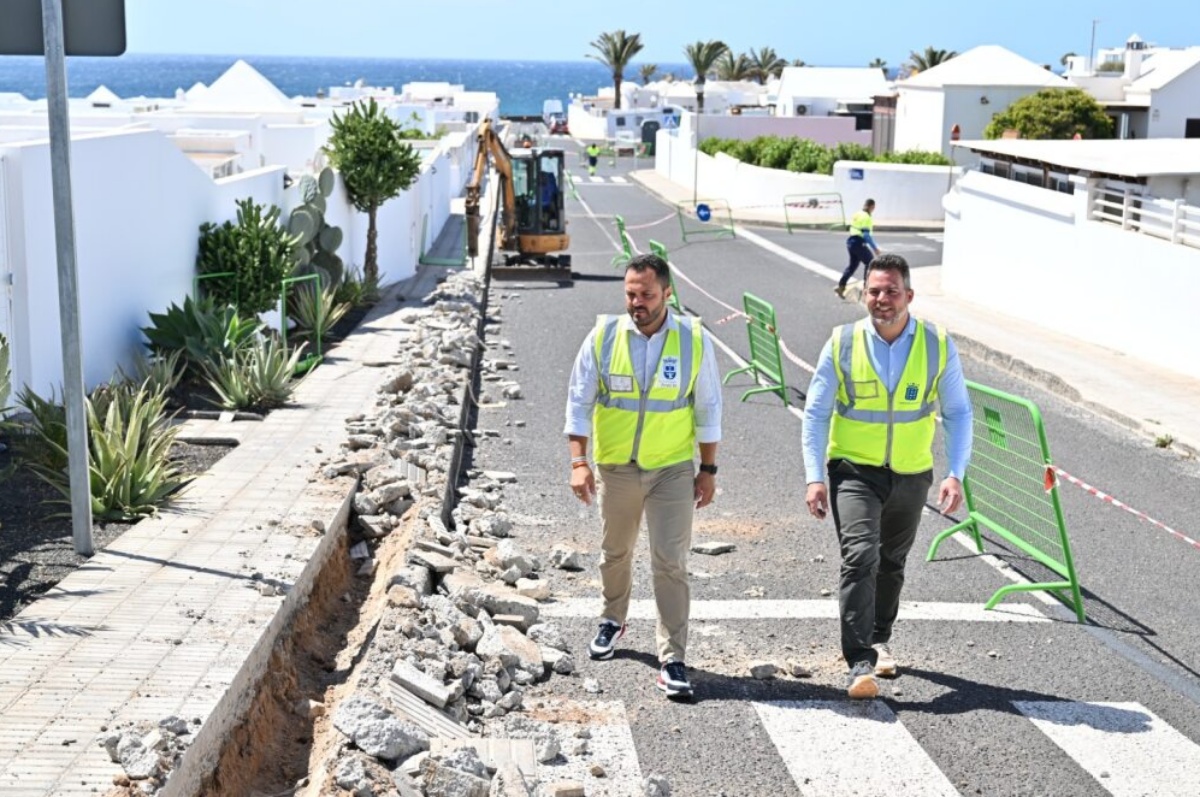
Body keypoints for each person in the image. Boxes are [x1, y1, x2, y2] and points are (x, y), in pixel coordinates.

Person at [802, 254, 972, 700]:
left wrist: (956, 473)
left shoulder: (936, 344)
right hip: (854, 470)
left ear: (909, 296)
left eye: (891, 290)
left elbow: (957, 412)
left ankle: (879, 638)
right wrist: (813, 476)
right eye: (873, 290)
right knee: (860, 556)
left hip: (912, 474)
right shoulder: (841, 343)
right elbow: (817, 412)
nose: (881, 299)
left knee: (892, 562)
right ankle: (859, 661)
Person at [564, 253, 722, 700]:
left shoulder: (693, 339)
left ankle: (672, 657)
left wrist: (707, 469)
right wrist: (579, 462)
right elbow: (579, 401)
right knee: (615, 551)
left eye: (647, 294)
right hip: (617, 468)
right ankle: (612, 618)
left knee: (670, 562)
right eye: (631, 293)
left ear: (667, 293)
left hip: (672, 469)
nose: (637, 302)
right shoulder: (604, 336)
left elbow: (708, 406)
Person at [836, 199, 880, 299]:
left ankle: (841, 286)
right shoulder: (866, 217)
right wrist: (875, 248)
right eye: (873, 208)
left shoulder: (858, 213)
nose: (873, 210)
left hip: (851, 242)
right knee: (870, 263)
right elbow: (866, 235)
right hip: (859, 242)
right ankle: (866, 289)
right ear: (871, 206)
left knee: (853, 266)